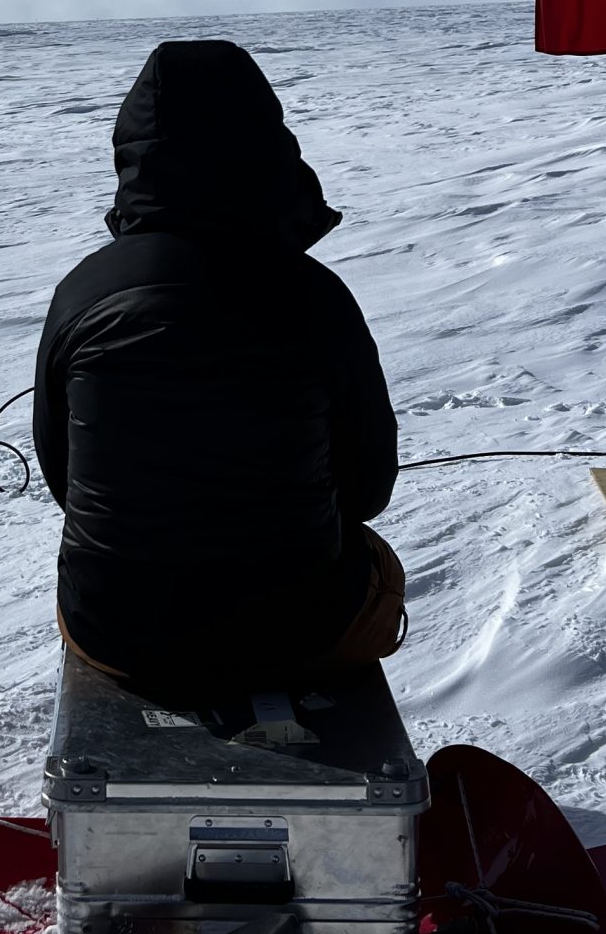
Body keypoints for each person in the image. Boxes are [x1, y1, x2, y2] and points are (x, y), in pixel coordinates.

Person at [33, 39, 403, 701]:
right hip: (298, 630)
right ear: (267, 149)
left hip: (115, 628)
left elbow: (65, 483)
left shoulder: (83, 290)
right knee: (381, 565)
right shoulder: (317, 295)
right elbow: (368, 489)